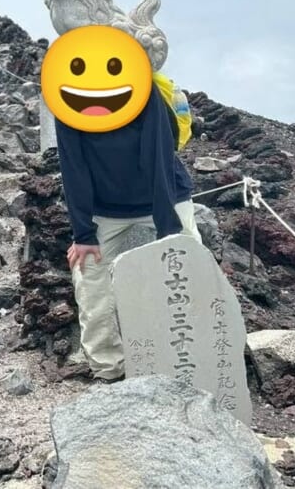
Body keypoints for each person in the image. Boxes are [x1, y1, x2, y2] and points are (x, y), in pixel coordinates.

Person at [55, 86, 202, 381]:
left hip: (166, 197)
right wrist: (83, 234)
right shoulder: (67, 93)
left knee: (194, 268)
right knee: (88, 274)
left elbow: (159, 158)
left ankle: (198, 359)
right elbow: (72, 165)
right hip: (106, 209)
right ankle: (108, 369)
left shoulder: (143, 88)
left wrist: (168, 229)